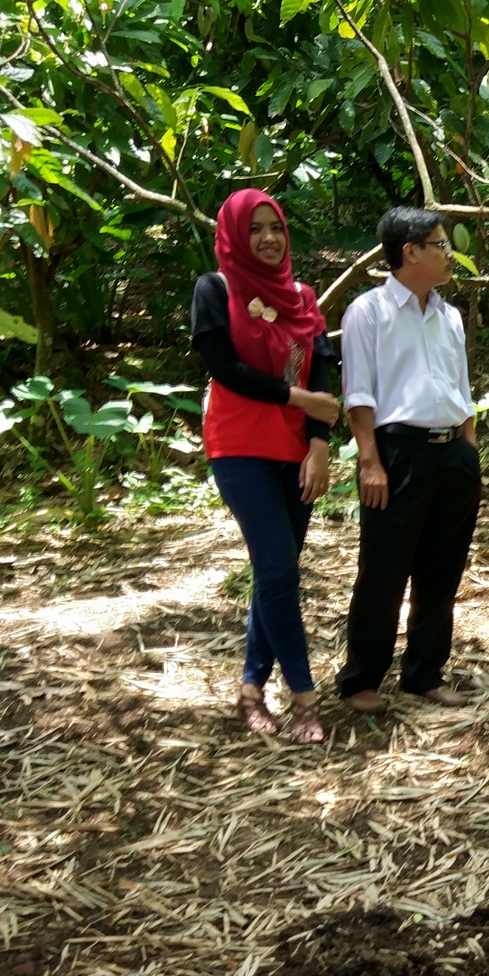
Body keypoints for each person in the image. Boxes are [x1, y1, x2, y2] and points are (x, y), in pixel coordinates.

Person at [191, 188, 338, 744]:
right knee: (279, 570)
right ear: (234, 235)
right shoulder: (216, 289)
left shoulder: (302, 295)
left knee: (272, 575)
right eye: (254, 230)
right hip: (239, 448)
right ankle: (304, 700)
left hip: (295, 453)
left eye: (274, 227)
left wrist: (320, 443)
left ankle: (251, 689)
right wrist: (299, 403)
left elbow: (319, 373)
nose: (268, 239)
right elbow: (224, 369)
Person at [333, 206, 482, 714]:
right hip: (397, 453)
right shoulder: (369, 312)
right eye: (440, 244)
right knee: (384, 570)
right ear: (410, 252)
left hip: (452, 454)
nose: (449, 254)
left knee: (442, 570)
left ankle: (423, 674)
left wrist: (469, 449)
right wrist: (369, 462)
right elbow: (359, 396)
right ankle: (361, 679)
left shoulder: (450, 316)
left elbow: (461, 390)